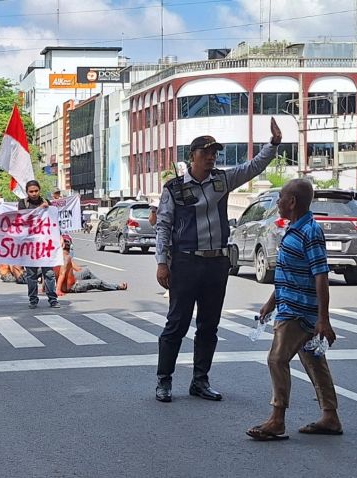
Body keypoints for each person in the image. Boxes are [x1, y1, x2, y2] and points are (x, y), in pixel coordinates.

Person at [154, 118, 282, 403]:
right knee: (177, 322)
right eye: (206, 153)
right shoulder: (173, 188)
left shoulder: (222, 180)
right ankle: (164, 381)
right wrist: (162, 263)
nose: (212, 158)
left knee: (209, 325)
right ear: (192, 156)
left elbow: (252, 168)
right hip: (186, 263)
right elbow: (163, 226)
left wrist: (272, 145)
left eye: (215, 153)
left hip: (216, 263)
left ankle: (200, 380)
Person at [247, 179, 342, 441]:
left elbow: (320, 275)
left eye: (280, 198)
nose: (277, 202)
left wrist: (324, 319)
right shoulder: (294, 229)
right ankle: (330, 416)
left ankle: (277, 420)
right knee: (313, 359)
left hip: (299, 312)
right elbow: (290, 273)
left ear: (292, 202)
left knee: (277, 359)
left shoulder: (310, 231)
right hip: (290, 305)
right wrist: (270, 303)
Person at [17, 180, 59, 309]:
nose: (34, 194)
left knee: (49, 274)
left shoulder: (46, 202)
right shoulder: (22, 203)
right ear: (27, 192)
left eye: (36, 191)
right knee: (31, 275)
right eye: (31, 191)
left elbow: (53, 221)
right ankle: (33, 300)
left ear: (39, 190)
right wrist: (39, 209)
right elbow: (23, 219)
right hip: (30, 245)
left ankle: (53, 299)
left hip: (45, 244)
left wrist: (59, 237)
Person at [56, 238, 127, 294]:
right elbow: (62, 274)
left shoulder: (61, 256)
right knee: (97, 282)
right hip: (72, 286)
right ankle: (116, 286)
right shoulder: (66, 258)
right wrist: (58, 290)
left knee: (86, 271)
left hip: (72, 280)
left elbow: (78, 269)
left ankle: (102, 283)